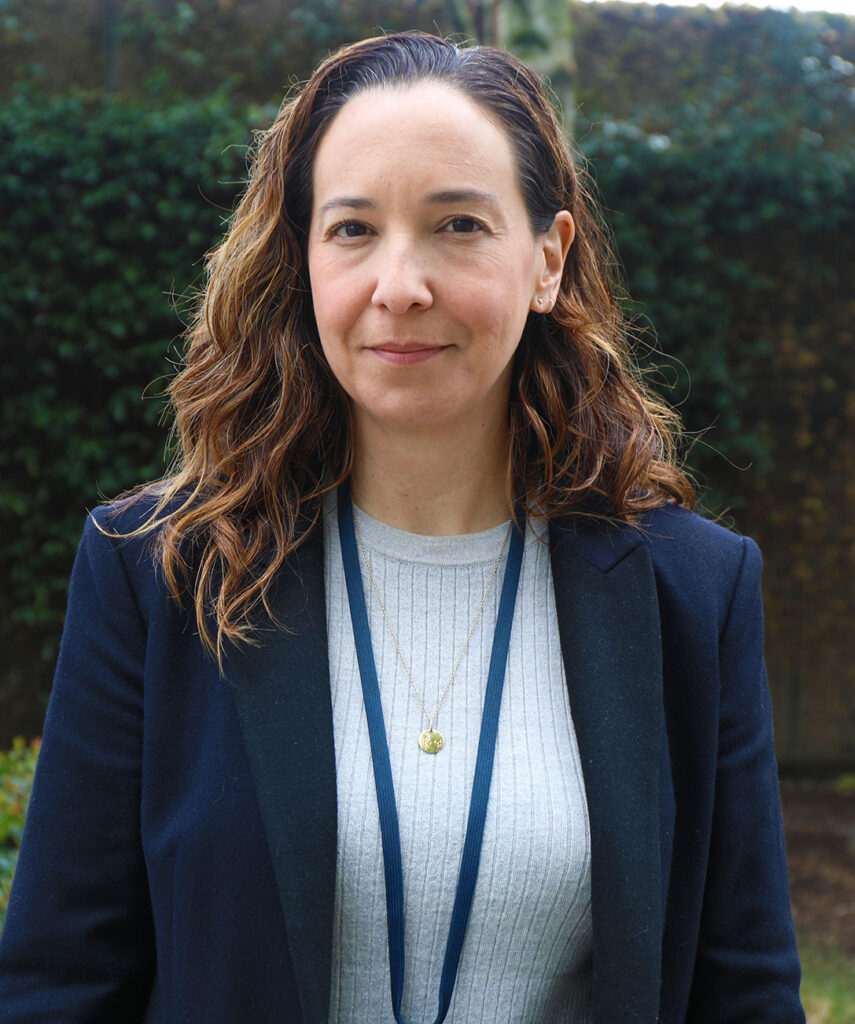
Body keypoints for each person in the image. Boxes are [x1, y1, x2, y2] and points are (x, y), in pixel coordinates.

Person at [0, 31, 805, 1024]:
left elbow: (744, 994)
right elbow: (58, 984)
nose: (398, 285)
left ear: (546, 259)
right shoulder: (159, 572)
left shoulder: (692, 590)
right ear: (301, 258)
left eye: (457, 224)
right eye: (351, 229)